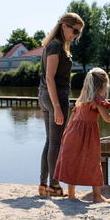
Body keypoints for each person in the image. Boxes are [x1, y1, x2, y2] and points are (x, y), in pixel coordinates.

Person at [54, 68, 110, 202]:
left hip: (72, 132)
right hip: (88, 135)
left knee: (72, 161)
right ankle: (97, 196)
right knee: (93, 162)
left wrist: (66, 132)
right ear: (103, 84)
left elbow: (73, 116)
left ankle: (71, 195)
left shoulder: (82, 98)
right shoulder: (97, 99)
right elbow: (107, 118)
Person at [38, 12, 84, 197]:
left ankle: (44, 185)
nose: (76, 35)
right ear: (64, 26)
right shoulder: (56, 46)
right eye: (74, 30)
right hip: (55, 97)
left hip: (46, 95)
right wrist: (57, 106)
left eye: (79, 33)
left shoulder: (55, 45)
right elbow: (50, 77)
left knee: (51, 141)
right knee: (55, 142)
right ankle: (54, 186)